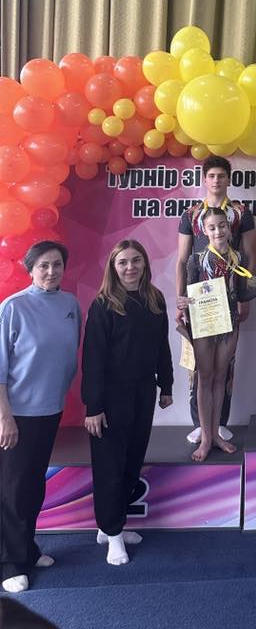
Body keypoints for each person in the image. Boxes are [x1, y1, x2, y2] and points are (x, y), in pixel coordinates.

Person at [82, 240, 173, 566]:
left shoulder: (155, 298)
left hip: (143, 391)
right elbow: (92, 359)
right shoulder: (103, 304)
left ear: (145, 263)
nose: (130, 267)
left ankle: (111, 526)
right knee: (110, 466)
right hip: (111, 396)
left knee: (132, 462)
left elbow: (162, 345)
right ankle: (112, 534)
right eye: (123, 262)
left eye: (136, 260)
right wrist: (94, 407)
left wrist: (166, 385)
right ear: (114, 267)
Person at [0, 242, 81, 593]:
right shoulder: (12, 307)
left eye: (57, 264)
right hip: (17, 414)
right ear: (30, 269)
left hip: (50, 410)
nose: (51, 271)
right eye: (44, 265)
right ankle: (10, 563)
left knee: (33, 486)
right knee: (14, 490)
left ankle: (28, 550)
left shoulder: (70, 305)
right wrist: (4, 417)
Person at [176, 154, 256, 444]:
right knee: (198, 366)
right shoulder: (190, 214)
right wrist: (180, 297)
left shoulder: (241, 213)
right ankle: (199, 424)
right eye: (211, 176)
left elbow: (250, 256)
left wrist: (246, 297)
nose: (216, 180)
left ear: (228, 179)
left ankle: (220, 422)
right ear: (204, 179)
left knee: (226, 365)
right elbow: (182, 259)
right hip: (198, 299)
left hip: (229, 298)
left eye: (221, 175)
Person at [178, 208, 256, 462]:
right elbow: (190, 292)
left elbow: (239, 291)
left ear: (229, 228)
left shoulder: (238, 258)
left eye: (222, 226)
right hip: (204, 325)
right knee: (204, 378)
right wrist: (183, 303)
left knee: (220, 377)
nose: (218, 231)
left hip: (229, 324)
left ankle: (216, 433)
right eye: (212, 227)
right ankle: (205, 438)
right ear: (204, 232)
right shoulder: (196, 260)